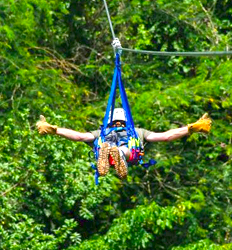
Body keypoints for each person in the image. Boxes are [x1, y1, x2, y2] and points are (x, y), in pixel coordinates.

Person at [36, 108, 212, 179]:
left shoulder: (102, 132)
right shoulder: (138, 132)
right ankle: (114, 154)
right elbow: (165, 136)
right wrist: (190, 128)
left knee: (113, 147)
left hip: (111, 152)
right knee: (124, 149)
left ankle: (109, 155)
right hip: (128, 155)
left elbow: (79, 136)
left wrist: (55, 130)